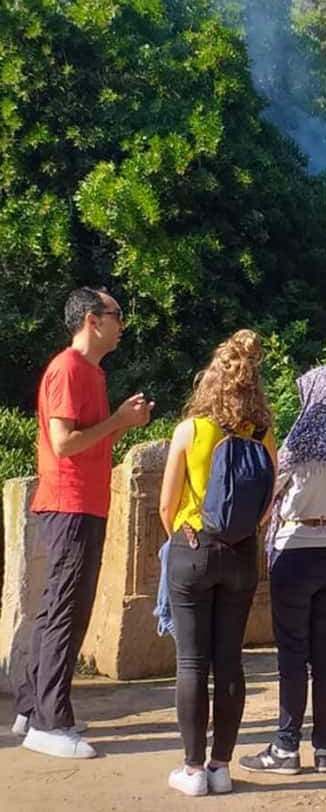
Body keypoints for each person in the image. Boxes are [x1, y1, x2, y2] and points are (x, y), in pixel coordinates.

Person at [14, 287, 153, 759]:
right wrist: (118, 421)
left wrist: (119, 421)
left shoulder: (90, 371)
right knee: (64, 611)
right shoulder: (68, 368)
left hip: (83, 504)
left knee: (62, 609)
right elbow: (64, 443)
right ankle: (49, 723)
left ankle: (33, 708)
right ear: (93, 320)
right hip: (69, 504)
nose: (122, 324)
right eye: (117, 315)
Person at [158, 329, 277, 797]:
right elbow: (268, 500)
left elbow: (166, 504)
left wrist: (184, 537)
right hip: (242, 552)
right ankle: (221, 766)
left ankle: (192, 770)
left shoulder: (190, 431)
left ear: (210, 381)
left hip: (194, 546)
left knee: (191, 661)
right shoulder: (263, 435)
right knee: (229, 660)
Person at [240, 366, 326, 776]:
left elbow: (267, 491)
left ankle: (286, 747)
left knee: (292, 654)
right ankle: (324, 749)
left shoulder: (299, 440)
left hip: (295, 549)